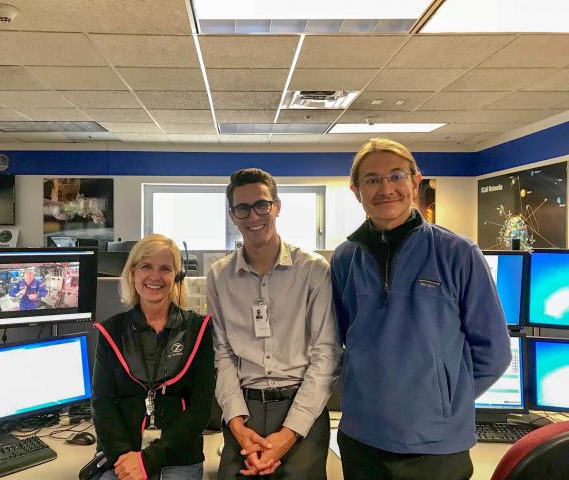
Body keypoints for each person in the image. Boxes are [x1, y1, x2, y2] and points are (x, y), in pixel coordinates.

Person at [331, 138, 512, 480]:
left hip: (436, 445)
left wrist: (442, 399)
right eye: (372, 179)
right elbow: (343, 339)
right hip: (361, 437)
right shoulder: (345, 258)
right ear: (356, 191)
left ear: (415, 182)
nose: (386, 188)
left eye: (396, 176)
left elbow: (494, 351)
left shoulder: (458, 253)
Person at [207, 168, 341, 479]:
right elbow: (222, 354)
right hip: (244, 409)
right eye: (243, 208)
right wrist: (238, 426)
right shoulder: (219, 275)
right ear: (232, 215)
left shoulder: (312, 270)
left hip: (301, 408)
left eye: (262, 205)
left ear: (277, 206)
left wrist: (288, 434)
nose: (253, 216)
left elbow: (326, 355)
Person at [91, 234, 214, 480]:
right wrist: (126, 459)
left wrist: (148, 461)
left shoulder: (198, 329)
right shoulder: (112, 332)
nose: (155, 277)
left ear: (177, 277)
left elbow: (200, 409)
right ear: (133, 273)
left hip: (178, 457)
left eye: (165, 269)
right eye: (146, 266)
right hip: (121, 458)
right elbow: (102, 404)